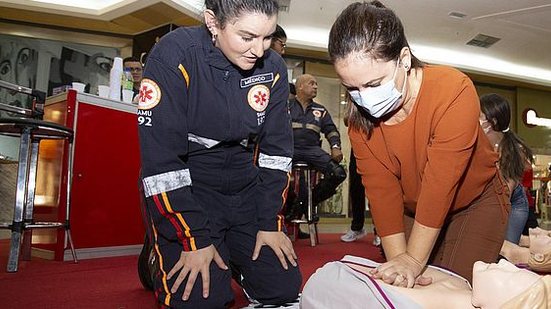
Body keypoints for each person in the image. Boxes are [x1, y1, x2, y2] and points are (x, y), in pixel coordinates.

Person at [328, 1, 510, 285]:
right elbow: (382, 192)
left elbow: (441, 184)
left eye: (374, 84)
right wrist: (401, 265)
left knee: (453, 285)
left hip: (474, 202)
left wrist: (413, 261)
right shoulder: (358, 123)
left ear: (404, 59)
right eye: (352, 88)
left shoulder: (452, 90)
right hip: (413, 209)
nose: (364, 97)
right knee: (404, 286)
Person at [137, 0, 301, 308]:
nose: (259, 50)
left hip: (243, 183)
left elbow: (276, 153)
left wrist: (270, 223)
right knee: (201, 300)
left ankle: (227, 250)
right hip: (189, 184)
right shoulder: (174, 55)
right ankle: (157, 250)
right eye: (247, 37)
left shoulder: (274, 68)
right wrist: (191, 237)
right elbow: (161, 164)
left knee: (282, 289)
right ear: (213, 22)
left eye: (267, 37)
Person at [301, 255, 551, 309]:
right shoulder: (464, 285)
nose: (506, 264)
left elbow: (325, 287)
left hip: (322, 284)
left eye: (513, 275)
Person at [286, 73, 347, 223]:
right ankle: (298, 206)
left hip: (312, 150)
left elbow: (331, 130)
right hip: (289, 149)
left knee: (338, 173)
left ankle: (306, 204)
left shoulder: (321, 110)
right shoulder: (286, 107)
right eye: (311, 83)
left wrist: (335, 147)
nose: (315, 86)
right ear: (300, 86)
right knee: (276, 177)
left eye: (316, 84)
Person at [479, 93, 534, 245]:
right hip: (491, 199)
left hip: (513, 203)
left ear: (492, 122)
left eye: (479, 116)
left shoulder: (514, 150)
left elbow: (506, 193)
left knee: (506, 249)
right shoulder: (480, 144)